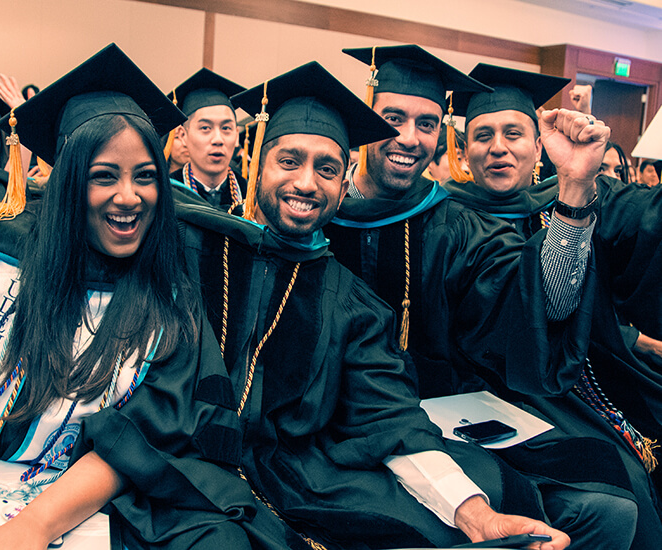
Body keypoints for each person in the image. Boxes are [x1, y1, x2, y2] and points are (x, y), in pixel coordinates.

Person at [176, 60, 572, 550]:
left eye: (326, 168)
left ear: (342, 185)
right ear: (256, 164)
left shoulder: (350, 301)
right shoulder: (192, 251)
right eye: (288, 161)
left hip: (294, 474)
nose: (305, 183)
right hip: (172, 465)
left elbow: (387, 416)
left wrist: (476, 517)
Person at [324, 45, 639, 549]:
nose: (409, 137)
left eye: (427, 123)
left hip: (439, 416)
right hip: (329, 422)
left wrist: (575, 188)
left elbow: (541, 306)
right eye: (392, 118)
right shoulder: (316, 210)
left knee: (607, 504)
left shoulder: (456, 225)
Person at [0, 44, 262, 550]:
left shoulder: (170, 300)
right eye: (104, 176)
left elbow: (144, 435)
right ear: (66, 183)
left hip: (72, 505)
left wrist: (35, 525)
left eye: (145, 176)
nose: (129, 196)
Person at [443, 63, 662, 543]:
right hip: (508, 392)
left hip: (594, 377)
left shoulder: (577, 193)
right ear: (463, 151)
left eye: (513, 133)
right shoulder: (449, 219)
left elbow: (646, 223)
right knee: (625, 490)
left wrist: (577, 181)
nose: (498, 146)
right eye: (482, 135)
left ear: (538, 145)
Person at [167, 68, 247, 208]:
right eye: (205, 128)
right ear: (183, 135)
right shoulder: (166, 193)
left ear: (236, 136)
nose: (217, 139)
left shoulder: (251, 196)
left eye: (226, 128)